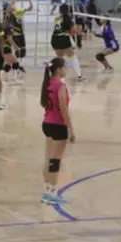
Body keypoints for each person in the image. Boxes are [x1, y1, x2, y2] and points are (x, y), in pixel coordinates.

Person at [41, 57, 75, 205]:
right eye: (65, 67)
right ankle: (53, 192)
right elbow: (63, 108)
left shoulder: (47, 83)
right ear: (59, 69)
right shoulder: (60, 86)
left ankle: (47, 190)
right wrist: (71, 128)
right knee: (55, 160)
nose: (66, 70)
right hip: (58, 125)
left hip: (47, 123)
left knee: (48, 158)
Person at [51, 3, 83, 81]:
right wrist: (81, 33)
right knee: (73, 57)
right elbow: (72, 32)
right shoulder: (67, 19)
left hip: (54, 39)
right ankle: (79, 76)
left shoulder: (57, 18)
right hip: (63, 39)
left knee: (60, 59)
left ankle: (57, 77)